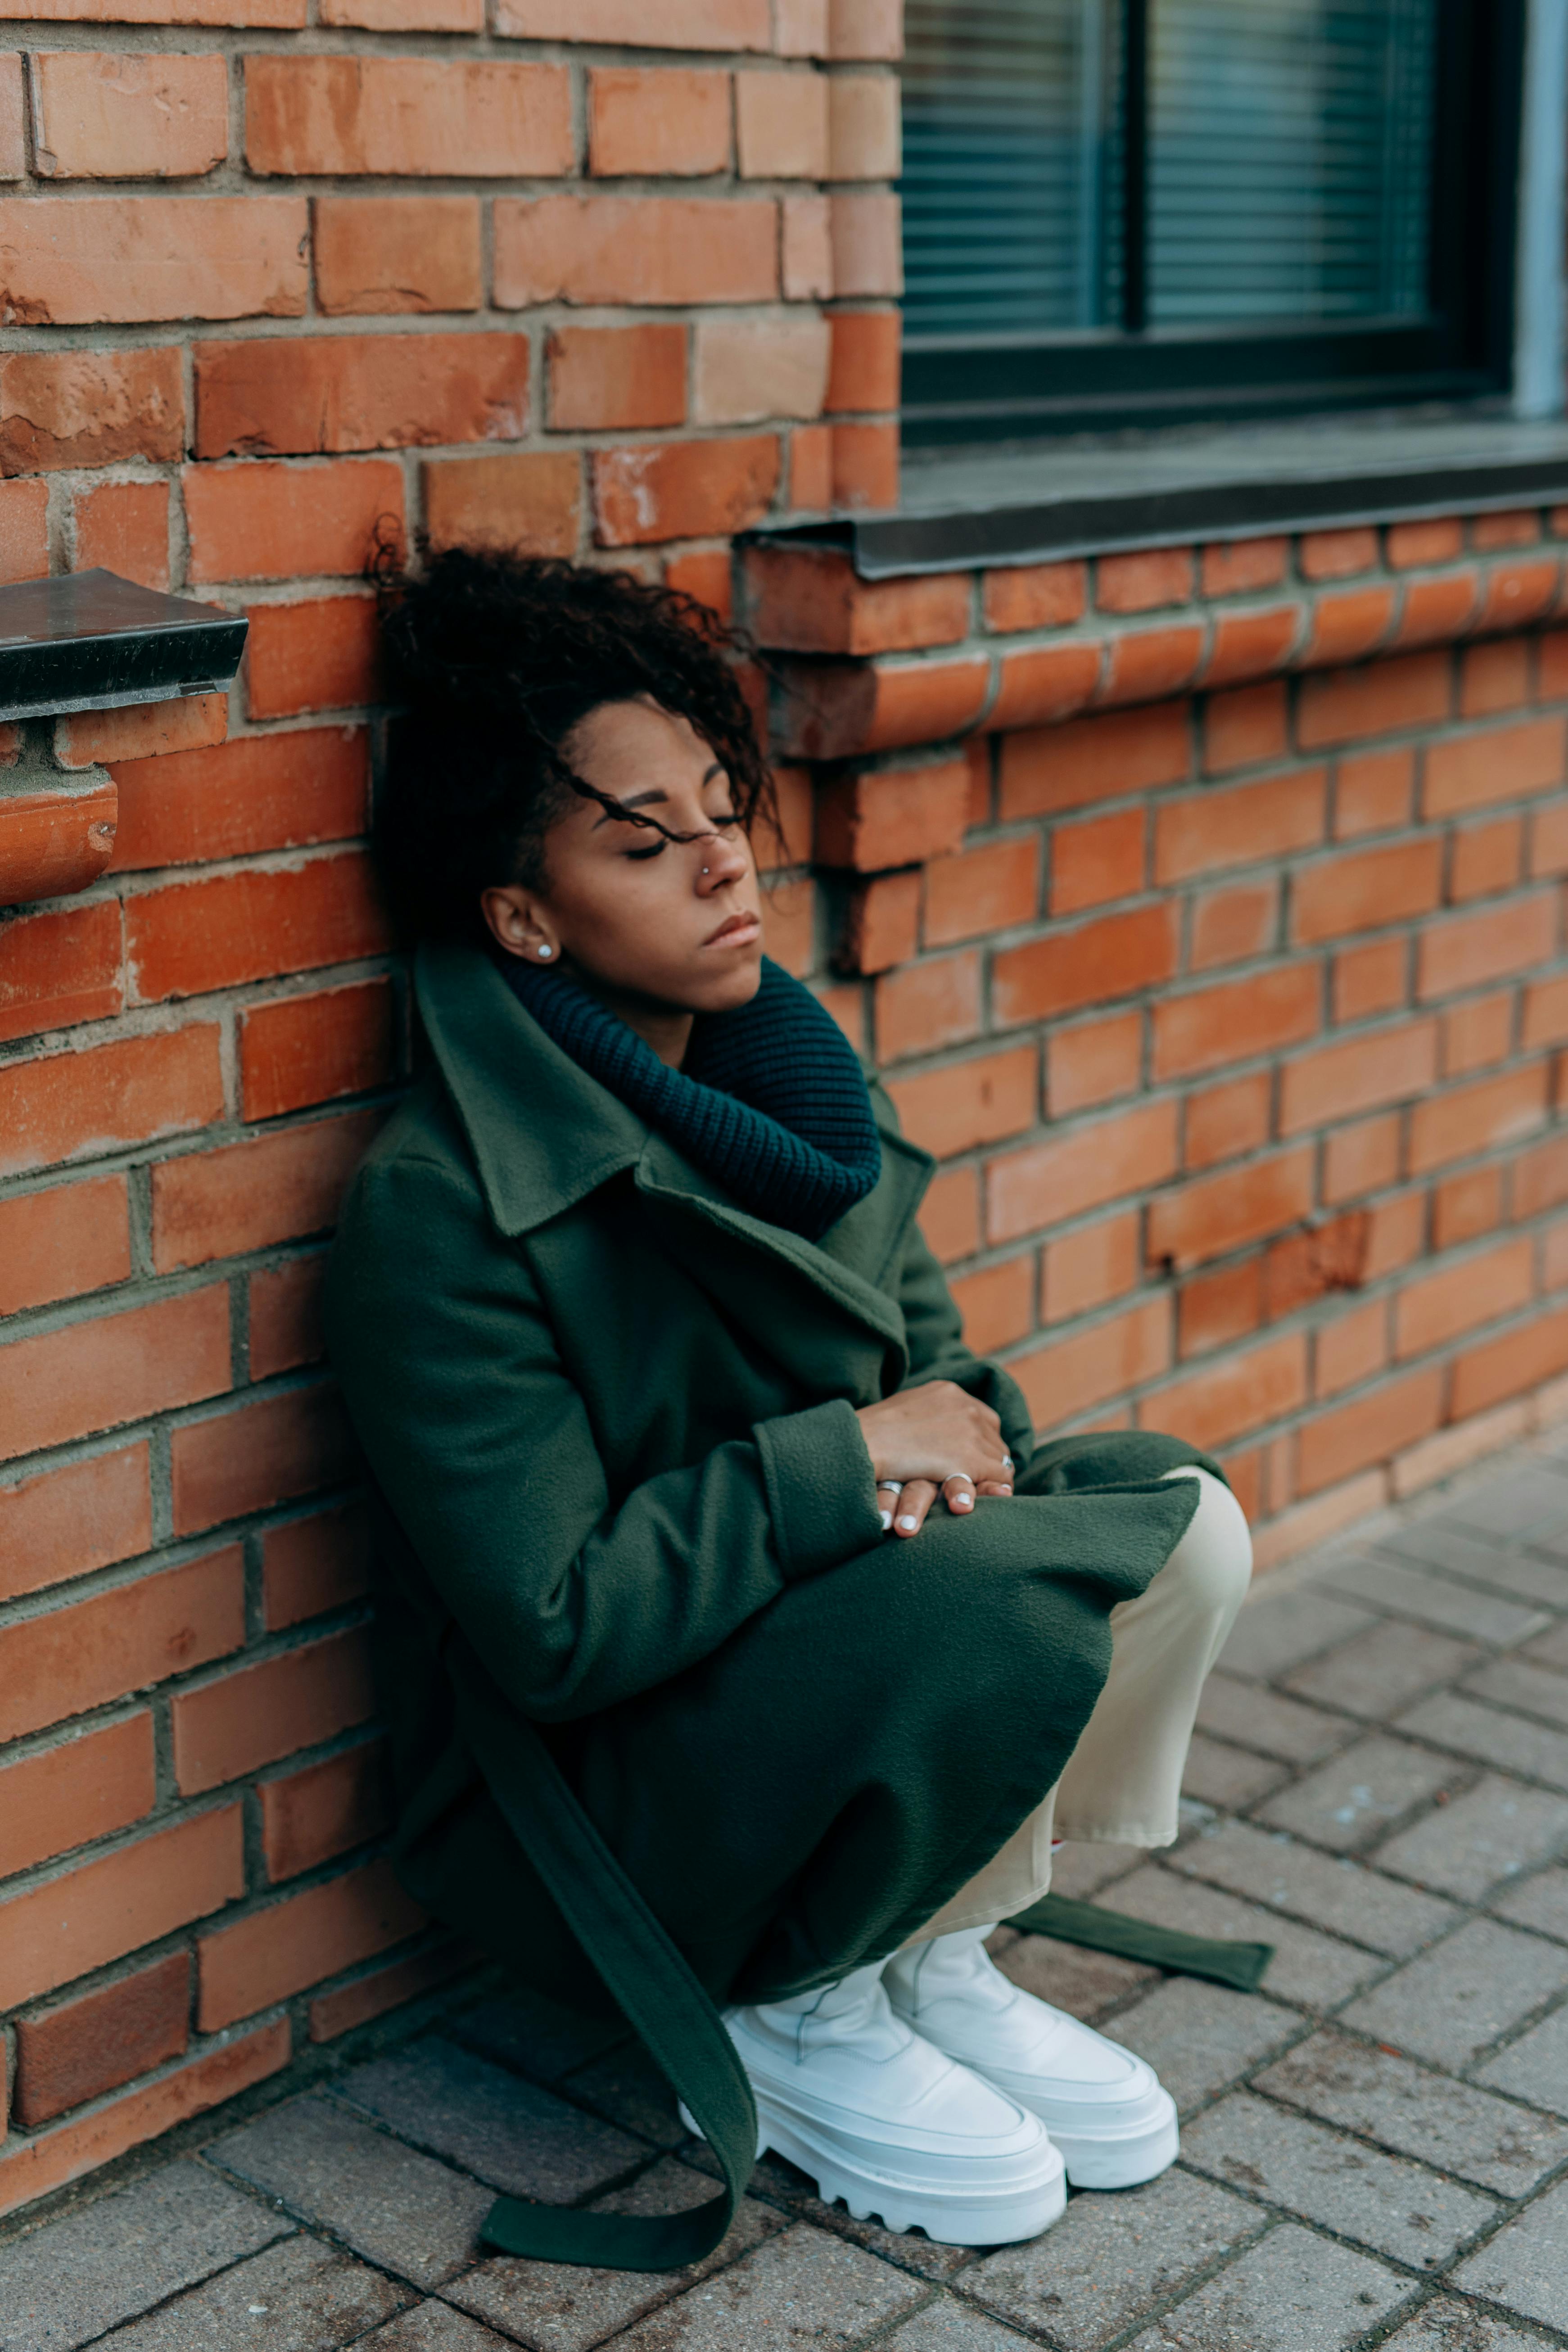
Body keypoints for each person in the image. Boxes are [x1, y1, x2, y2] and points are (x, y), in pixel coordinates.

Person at [324, 548, 1254, 2258]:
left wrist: (926, 1449)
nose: (720, 859)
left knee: (1179, 1523)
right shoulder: (444, 1206)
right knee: (1008, 1608)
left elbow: (946, 1383)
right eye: (642, 840)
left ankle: (928, 1944)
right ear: (524, 919)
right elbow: (550, 1628)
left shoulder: (788, 1091)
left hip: (797, 1654)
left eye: (717, 808)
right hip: (610, 1783)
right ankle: (790, 2002)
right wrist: (848, 1466)